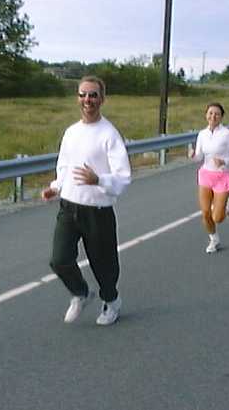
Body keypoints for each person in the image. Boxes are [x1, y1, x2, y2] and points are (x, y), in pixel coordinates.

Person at [41, 76, 131, 325]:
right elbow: (65, 166)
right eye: (83, 94)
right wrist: (56, 187)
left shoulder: (109, 134)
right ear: (77, 98)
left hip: (97, 210)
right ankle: (80, 292)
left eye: (93, 95)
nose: (87, 100)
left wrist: (98, 180)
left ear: (102, 99)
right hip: (69, 206)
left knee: (104, 265)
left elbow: (124, 177)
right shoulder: (71, 132)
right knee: (59, 259)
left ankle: (111, 301)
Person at [191, 102, 229, 253]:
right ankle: (214, 239)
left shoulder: (227, 134)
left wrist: (224, 161)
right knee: (205, 213)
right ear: (206, 115)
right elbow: (199, 156)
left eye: (217, 114)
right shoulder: (202, 134)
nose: (213, 116)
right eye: (210, 113)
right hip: (206, 175)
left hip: (222, 176)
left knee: (217, 218)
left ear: (221, 117)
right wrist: (193, 156)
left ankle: (224, 207)